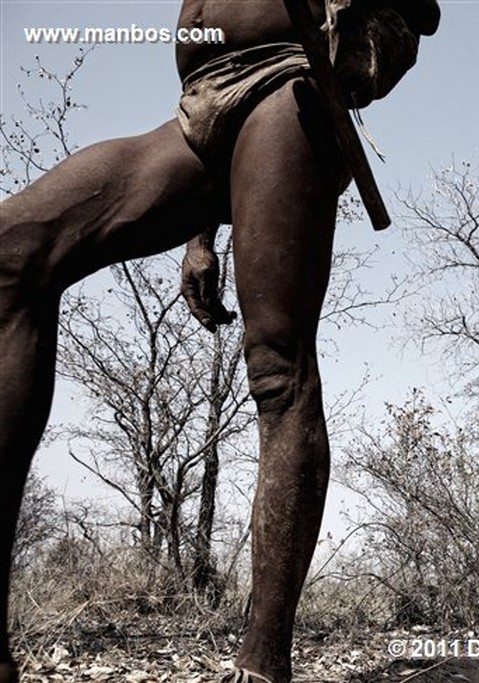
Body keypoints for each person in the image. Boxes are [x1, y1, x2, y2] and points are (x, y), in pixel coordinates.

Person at [0, 1, 439, 681]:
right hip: (199, 107)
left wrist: (349, 57)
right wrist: (201, 233)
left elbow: (420, 14)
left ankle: (263, 661)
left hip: (285, 85)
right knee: (15, 255)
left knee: (276, 367)